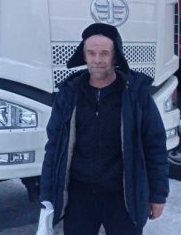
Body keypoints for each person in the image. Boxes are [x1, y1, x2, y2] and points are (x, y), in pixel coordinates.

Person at [38, 23, 169, 235]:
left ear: (115, 56)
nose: (97, 60)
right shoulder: (69, 94)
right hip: (79, 195)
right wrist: (47, 195)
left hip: (122, 195)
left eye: (104, 53)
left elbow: (155, 145)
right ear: (84, 56)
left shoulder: (135, 95)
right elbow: (54, 147)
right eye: (91, 53)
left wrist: (158, 194)